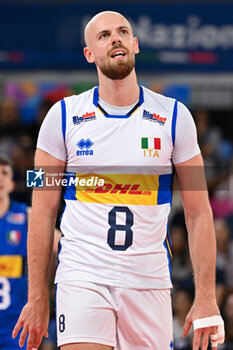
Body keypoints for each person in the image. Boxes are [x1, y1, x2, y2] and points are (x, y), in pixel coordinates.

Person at [13, 11, 224, 350]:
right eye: (104, 35)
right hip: (82, 274)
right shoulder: (61, 117)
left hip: (148, 279)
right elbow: (41, 211)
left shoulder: (175, 116)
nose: (115, 39)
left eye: (123, 32)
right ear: (89, 54)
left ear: (135, 45)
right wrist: (38, 296)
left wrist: (206, 297)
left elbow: (199, 213)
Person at [0, 155, 29, 349]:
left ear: (11, 184)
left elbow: (65, 243)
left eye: (4, 173)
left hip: (15, 325)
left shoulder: (27, 215)